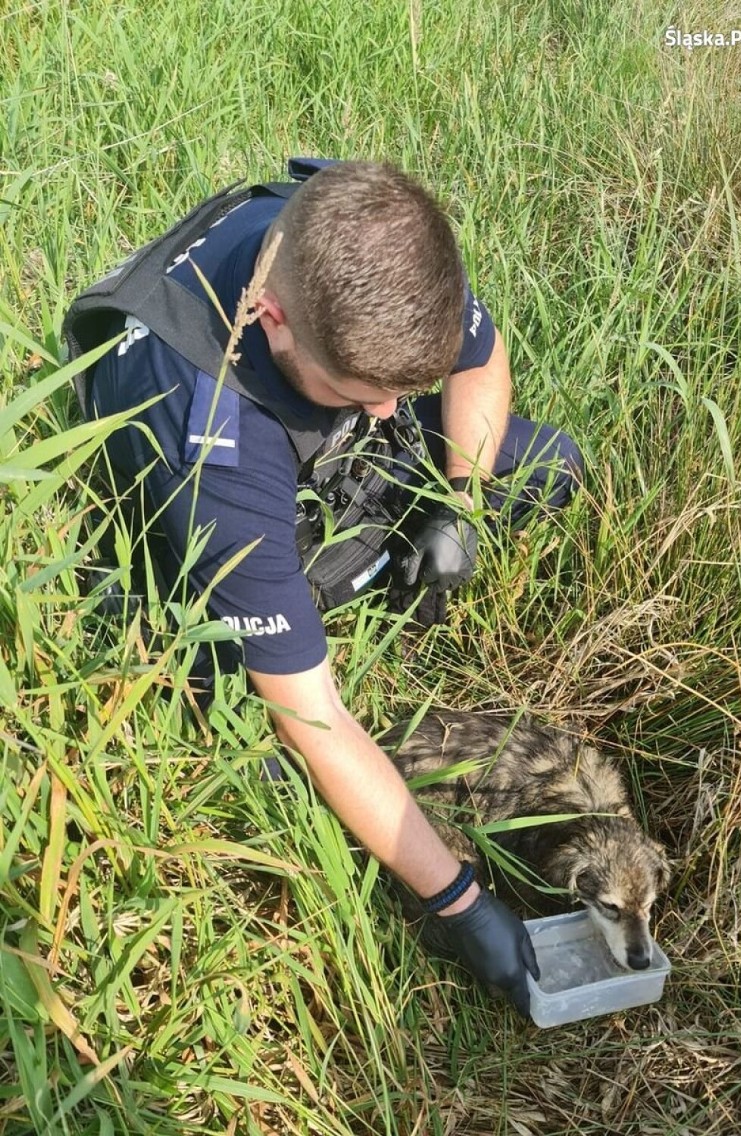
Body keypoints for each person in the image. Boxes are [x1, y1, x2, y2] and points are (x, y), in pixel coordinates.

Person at [66, 160, 583, 1017]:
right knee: (263, 737)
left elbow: (477, 364)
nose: (389, 413)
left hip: (312, 426)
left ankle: (381, 517)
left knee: (546, 464)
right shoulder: (212, 439)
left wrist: (460, 502)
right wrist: (459, 903)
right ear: (271, 322)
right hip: (215, 498)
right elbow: (315, 715)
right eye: (366, 394)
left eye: (398, 394)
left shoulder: (369, 241)